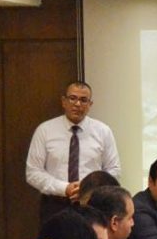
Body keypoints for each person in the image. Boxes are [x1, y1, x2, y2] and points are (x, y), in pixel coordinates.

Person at [26, 81, 121, 222]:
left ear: (90, 104)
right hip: (55, 204)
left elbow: (114, 170)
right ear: (63, 101)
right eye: (72, 98)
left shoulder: (103, 131)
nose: (77, 104)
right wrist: (65, 188)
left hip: (92, 205)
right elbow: (33, 172)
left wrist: (87, 188)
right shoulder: (45, 130)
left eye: (83, 100)